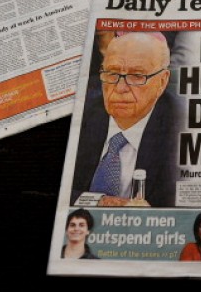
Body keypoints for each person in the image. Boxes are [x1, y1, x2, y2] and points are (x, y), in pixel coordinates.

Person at [70, 32, 181, 207]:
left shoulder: (182, 127)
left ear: (162, 82)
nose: (120, 88)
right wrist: (100, 202)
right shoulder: (81, 109)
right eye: (112, 73)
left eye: (137, 76)